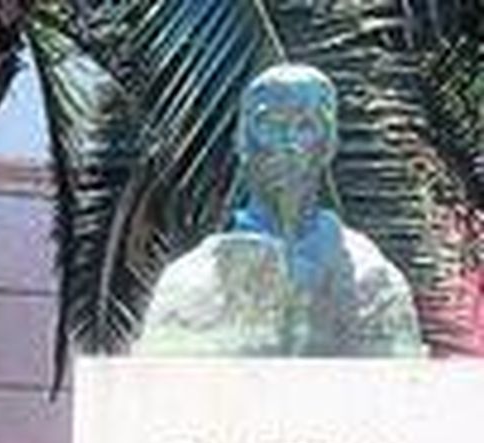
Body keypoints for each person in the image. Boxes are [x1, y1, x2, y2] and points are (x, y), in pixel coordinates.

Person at [135, 63, 424, 357]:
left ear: (329, 145)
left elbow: (400, 389)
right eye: (269, 124)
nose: (288, 143)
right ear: (241, 141)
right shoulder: (190, 281)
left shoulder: (371, 278)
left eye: (306, 125)